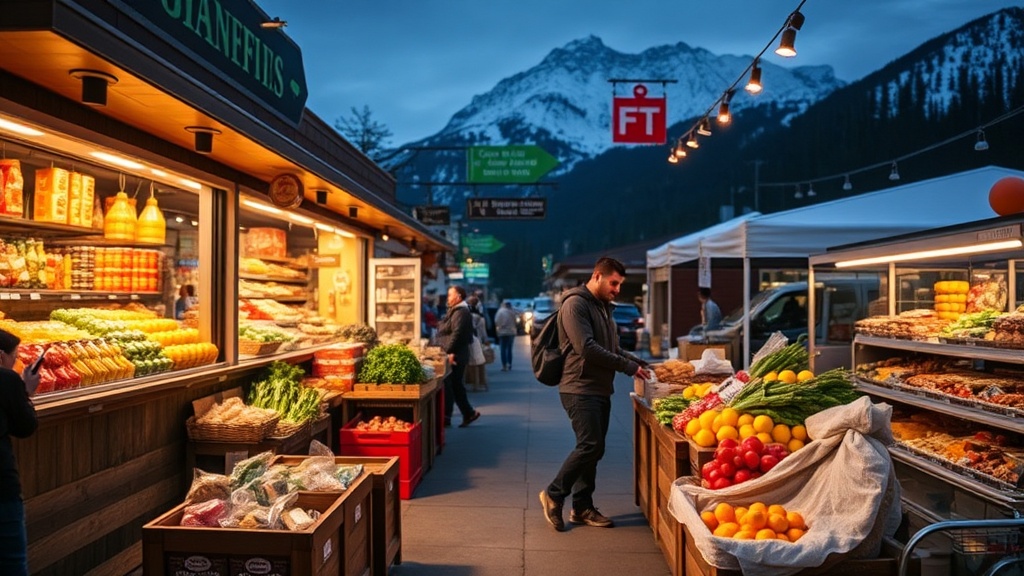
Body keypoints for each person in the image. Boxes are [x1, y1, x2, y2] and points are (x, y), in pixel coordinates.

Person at [539, 257, 651, 532]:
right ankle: (554, 493)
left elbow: (610, 347)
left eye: (619, 284)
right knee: (591, 445)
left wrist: (637, 362)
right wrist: (627, 366)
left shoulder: (603, 308)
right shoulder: (575, 304)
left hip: (599, 387)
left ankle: (582, 507)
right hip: (578, 387)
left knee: (593, 449)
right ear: (597, 276)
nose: (617, 289)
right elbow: (586, 348)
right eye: (613, 283)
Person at [0, 328, 40, 575]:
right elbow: (25, 426)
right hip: (1, 488)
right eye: (14, 358)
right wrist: (26, 392)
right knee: (11, 564)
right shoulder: (6, 380)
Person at [436, 285, 481, 428]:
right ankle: (467, 413)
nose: (448, 298)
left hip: (456, 355)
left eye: (450, 295)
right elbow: (443, 327)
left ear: (458, 297)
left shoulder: (461, 312)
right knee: (455, 385)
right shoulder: (455, 311)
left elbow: (457, 334)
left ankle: (448, 416)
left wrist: (449, 352)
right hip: (454, 353)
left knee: (451, 385)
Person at [465, 296, 490, 391]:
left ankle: (473, 384)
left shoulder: (466, 317)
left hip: (468, 342)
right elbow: (484, 333)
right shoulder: (480, 318)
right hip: (478, 342)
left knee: (470, 365)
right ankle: (482, 383)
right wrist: (486, 341)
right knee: (480, 364)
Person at [493, 301, 517, 371]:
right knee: (509, 349)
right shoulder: (512, 312)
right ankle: (509, 363)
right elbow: (515, 321)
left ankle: (504, 365)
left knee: (503, 349)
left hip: (502, 332)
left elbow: (496, 321)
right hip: (511, 332)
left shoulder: (500, 312)